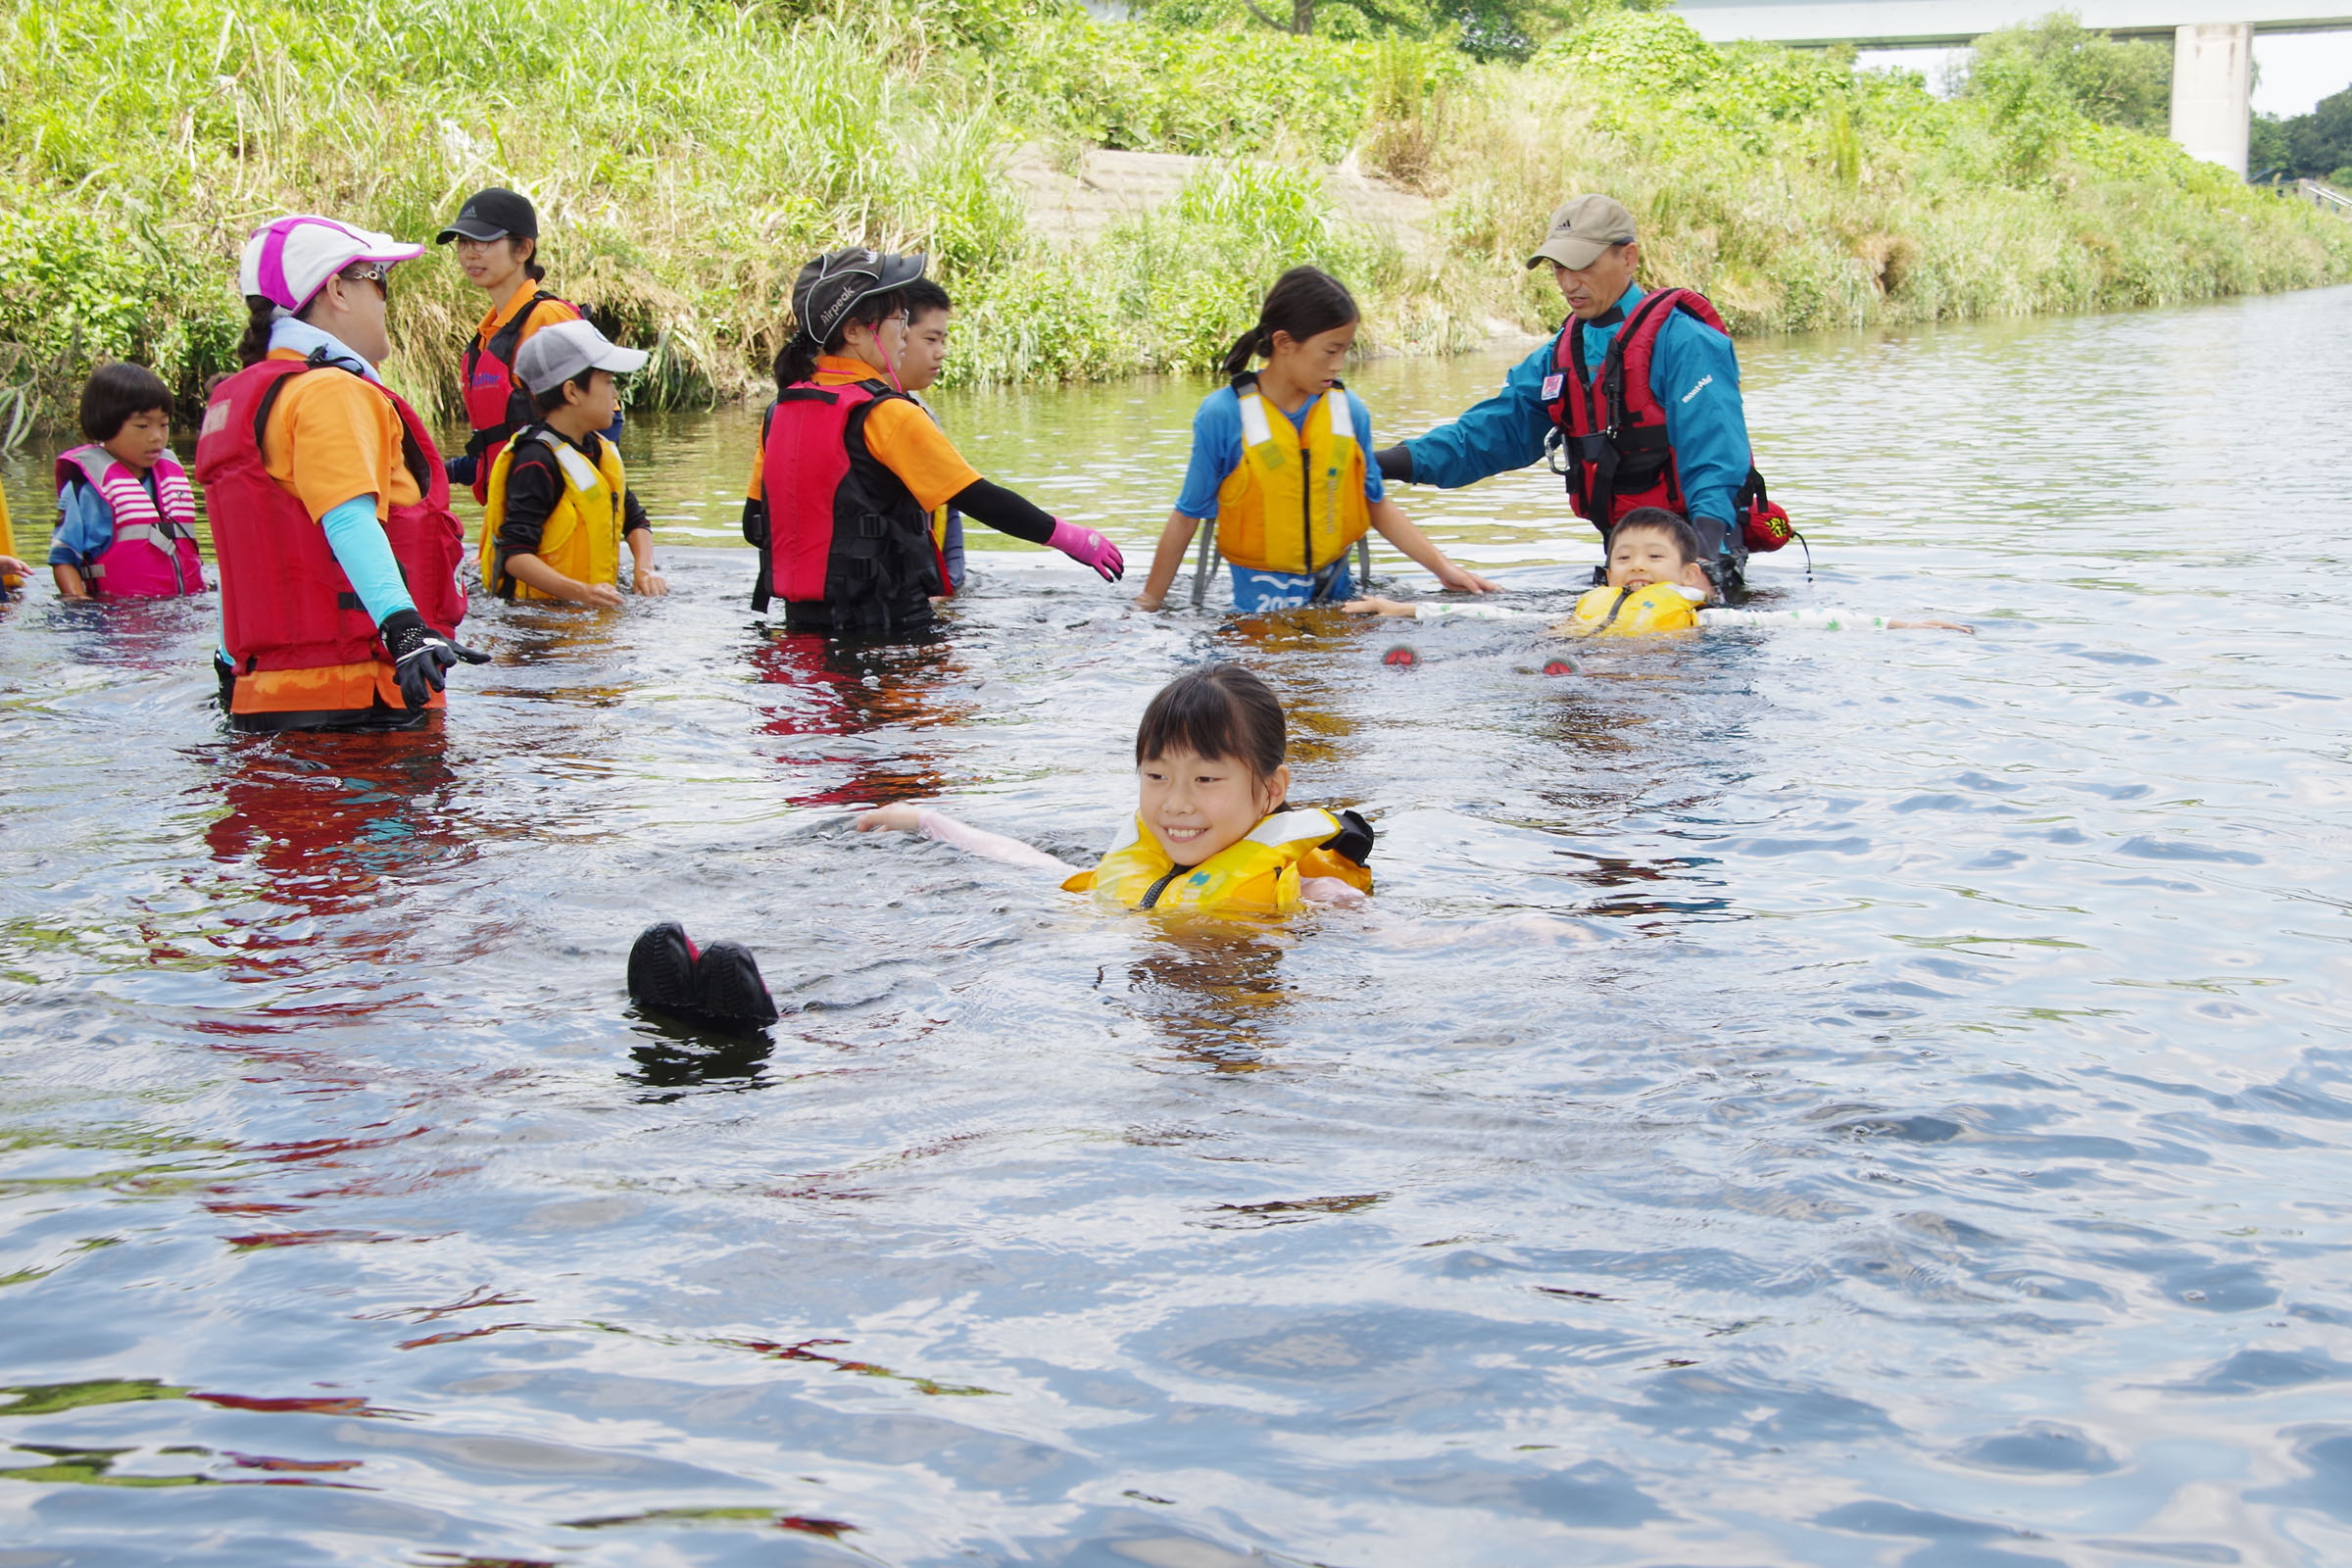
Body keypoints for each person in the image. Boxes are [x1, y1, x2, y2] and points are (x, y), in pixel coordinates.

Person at [1374, 195, 1764, 593]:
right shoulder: (1558, 355)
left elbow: (1715, 460)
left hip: (1700, 556)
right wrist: (1383, 463)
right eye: (1559, 268)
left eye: (1584, 266)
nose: (1568, 283)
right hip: (1626, 560)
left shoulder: (1685, 343)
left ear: (1628, 258)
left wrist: (1702, 562)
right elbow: (1488, 435)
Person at [193, 215, 484, 733]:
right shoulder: (329, 391)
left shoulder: (252, 399)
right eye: (379, 281)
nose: (384, 300)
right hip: (355, 702)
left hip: (266, 697)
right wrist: (406, 632)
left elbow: (245, 560)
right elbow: (347, 519)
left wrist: (226, 657)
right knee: (399, 817)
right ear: (337, 290)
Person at [742, 247, 1124, 640]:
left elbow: (754, 526)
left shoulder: (779, 412)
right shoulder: (887, 414)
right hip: (892, 628)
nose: (905, 332)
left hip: (802, 630)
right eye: (898, 318)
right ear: (854, 331)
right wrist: (1070, 537)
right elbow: (978, 497)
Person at [856, 662, 1375, 915]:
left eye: (1206, 778)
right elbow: (1029, 863)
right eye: (1156, 776)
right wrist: (927, 821)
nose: (1175, 802)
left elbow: (1403, 942)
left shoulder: (1316, 896)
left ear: (1270, 790)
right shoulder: (1126, 870)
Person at [1134, 267, 1494, 613]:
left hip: (1338, 596)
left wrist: (1443, 569)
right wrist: (1149, 603)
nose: (1339, 365)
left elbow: (1375, 504)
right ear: (1284, 343)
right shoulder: (1223, 415)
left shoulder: (1349, 412)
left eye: (1345, 351)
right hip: (1259, 607)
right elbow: (1187, 516)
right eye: (1330, 351)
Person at [1348, 509, 1972, 636]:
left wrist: (1902, 623)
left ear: (1690, 577)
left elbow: (1807, 622)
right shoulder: (1583, 609)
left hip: (1666, 687)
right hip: (1584, 663)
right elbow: (1501, 614)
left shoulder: (1708, 624)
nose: (1637, 568)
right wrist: (1400, 608)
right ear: (1607, 572)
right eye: (1623, 558)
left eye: (1654, 558)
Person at [479, 319, 666, 606]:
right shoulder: (536, 460)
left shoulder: (600, 452)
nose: (615, 394)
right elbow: (515, 555)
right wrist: (581, 592)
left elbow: (636, 519)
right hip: (538, 622)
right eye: (607, 381)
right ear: (572, 392)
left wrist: (644, 569)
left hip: (585, 610)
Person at [437, 187, 586, 503]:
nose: (469, 253)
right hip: (508, 517)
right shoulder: (489, 334)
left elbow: (604, 420)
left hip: (549, 516)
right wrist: (437, 471)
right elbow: (497, 450)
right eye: (463, 243)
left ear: (523, 250)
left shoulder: (547, 318)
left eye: (484, 242)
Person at [49, 363, 207, 601]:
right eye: (142, 426)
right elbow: (63, 559)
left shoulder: (170, 477)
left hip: (180, 612)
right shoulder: (86, 489)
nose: (156, 436)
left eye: (163, 424)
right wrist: (77, 601)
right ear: (105, 424)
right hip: (116, 618)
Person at [897, 278, 967, 595]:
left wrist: (950, 582)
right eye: (930, 340)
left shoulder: (923, 414)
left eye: (943, 340)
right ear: (896, 332)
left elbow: (949, 507)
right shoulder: (882, 415)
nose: (940, 353)